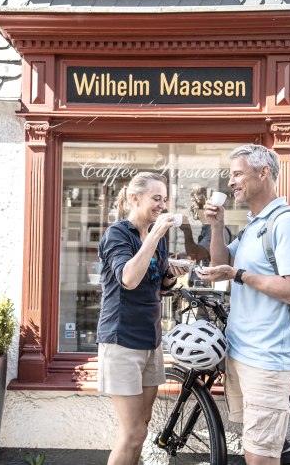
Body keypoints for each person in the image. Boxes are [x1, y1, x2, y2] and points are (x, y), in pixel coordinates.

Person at [195, 144, 290, 465]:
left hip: (267, 358)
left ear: (264, 173)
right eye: (230, 175)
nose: (231, 181)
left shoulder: (286, 223)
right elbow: (222, 261)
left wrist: (240, 274)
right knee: (253, 450)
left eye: (237, 174)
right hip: (243, 353)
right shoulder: (254, 224)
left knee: (261, 457)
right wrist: (217, 226)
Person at [96, 171, 188, 465]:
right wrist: (157, 234)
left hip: (151, 340)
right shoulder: (118, 234)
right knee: (133, 433)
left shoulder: (156, 238)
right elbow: (129, 279)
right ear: (135, 198)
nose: (162, 205)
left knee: (142, 426)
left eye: (164, 199)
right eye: (156, 198)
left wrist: (171, 276)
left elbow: (156, 285)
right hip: (122, 341)